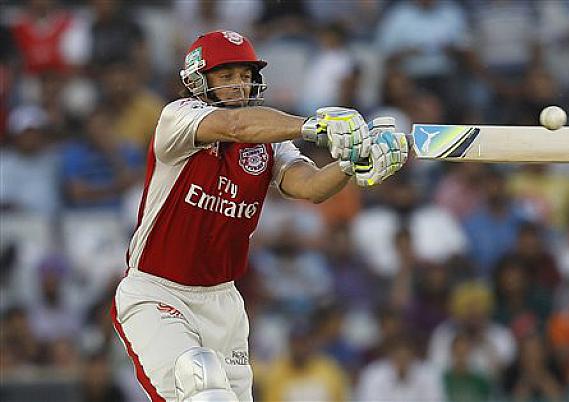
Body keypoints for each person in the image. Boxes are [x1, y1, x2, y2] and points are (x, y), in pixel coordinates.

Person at [111, 30, 408, 402]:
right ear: (198, 82)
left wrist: (352, 164)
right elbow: (235, 126)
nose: (239, 84)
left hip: (223, 304)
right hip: (157, 292)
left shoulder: (269, 142)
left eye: (245, 75)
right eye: (226, 76)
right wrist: (315, 125)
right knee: (202, 382)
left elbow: (311, 186)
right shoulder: (177, 118)